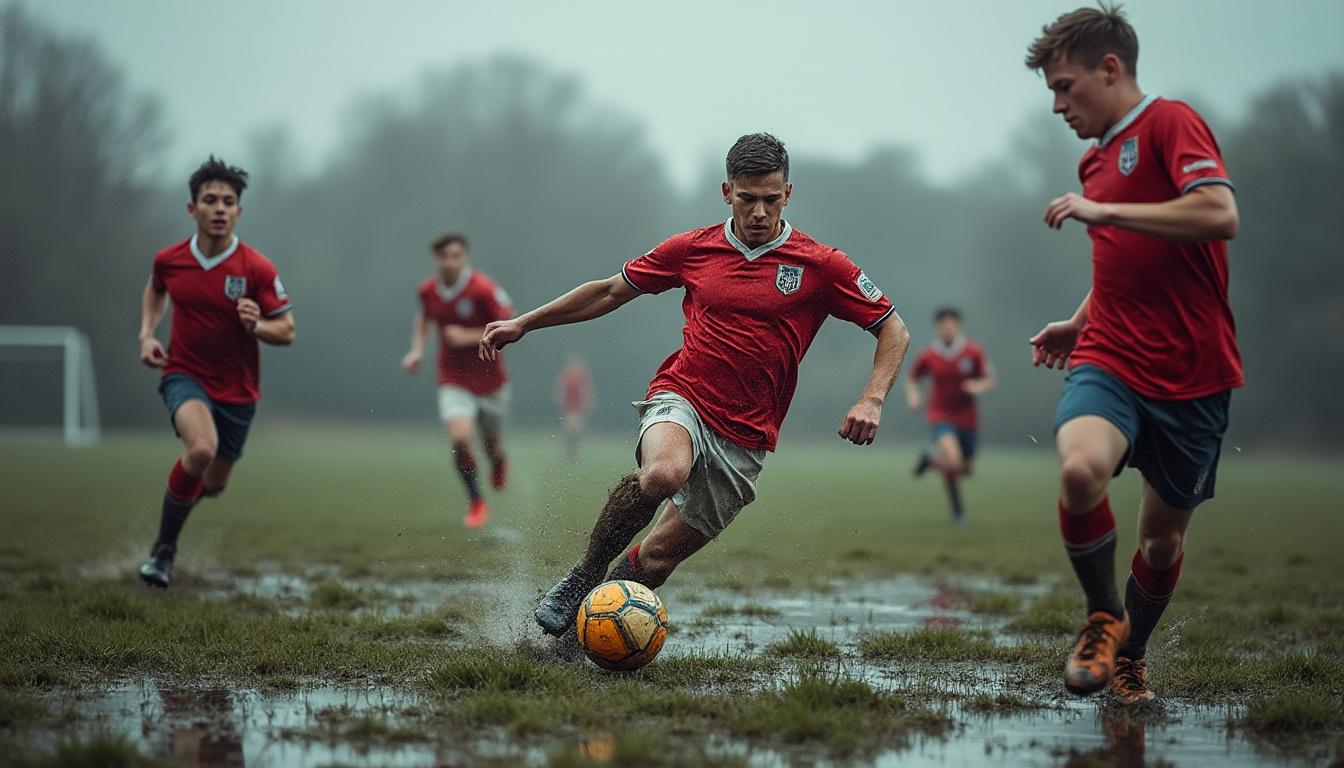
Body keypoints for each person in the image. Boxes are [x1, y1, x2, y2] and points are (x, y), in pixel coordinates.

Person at [479, 133, 910, 637]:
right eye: (747, 199)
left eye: (771, 200)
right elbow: (609, 291)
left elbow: (893, 328)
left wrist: (872, 399)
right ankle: (584, 575)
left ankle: (586, 634)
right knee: (664, 474)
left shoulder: (821, 264)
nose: (759, 213)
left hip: (747, 438)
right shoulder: (692, 248)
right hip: (682, 397)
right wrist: (524, 323)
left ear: (788, 195)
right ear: (726, 192)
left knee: (656, 561)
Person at [1025, 4, 1242, 702]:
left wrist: (1106, 211)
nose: (1058, 105)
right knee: (1081, 468)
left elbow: (1218, 212)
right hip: (1111, 356)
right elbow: (1124, 258)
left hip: (1194, 376)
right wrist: (1077, 321)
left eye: (1066, 86)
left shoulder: (1171, 122)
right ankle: (1102, 618)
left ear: (1109, 68)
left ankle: (1131, 654)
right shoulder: (1094, 158)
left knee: (1160, 546)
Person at [137, 156, 295, 588]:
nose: (220, 208)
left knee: (212, 483)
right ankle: (163, 553)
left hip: (239, 392)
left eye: (228, 201)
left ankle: (174, 514)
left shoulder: (256, 269)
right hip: (184, 373)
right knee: (201, 450)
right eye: (210, 200)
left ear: (239, 211)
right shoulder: (169, 260)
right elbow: (155, 291)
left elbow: (287, 330)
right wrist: (148, 333)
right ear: (192, 209)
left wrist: (256, 324)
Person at [402, 232, 514, 528]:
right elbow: (424, 317)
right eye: (443, 257)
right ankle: (476, 501)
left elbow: (509, 323)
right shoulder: (428, 290)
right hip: (453, 378)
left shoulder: (482, 288)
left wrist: (467, 335)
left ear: (465, 258)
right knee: (460, 438)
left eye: (455, 256)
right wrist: (416, 350)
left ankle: (498, 461)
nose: (449, 262)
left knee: (491, 445)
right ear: (435, 259)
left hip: (491, 380)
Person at [905, 307, 995, 523]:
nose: (946, 328)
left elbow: (989, 379)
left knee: (966, 470)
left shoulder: (973, 352)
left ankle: (930, 462)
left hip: (967, 418)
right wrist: (914, 396)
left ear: (958, 326)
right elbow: (912, 378)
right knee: (953, 460)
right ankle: (959, 513)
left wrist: (978, 386)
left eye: (950, 324)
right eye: (942, 325)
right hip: (940, 415)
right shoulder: (928, 355)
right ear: (936, 328)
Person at [556, 356, 594, 462]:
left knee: (575, 431)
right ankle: (571, 452)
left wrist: (587, 403)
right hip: (569, 407)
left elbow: (586, 390)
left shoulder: (581, 375)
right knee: (571, 430)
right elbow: (561, 390)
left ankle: (572, 452)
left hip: (577, 407)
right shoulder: (567, 375)